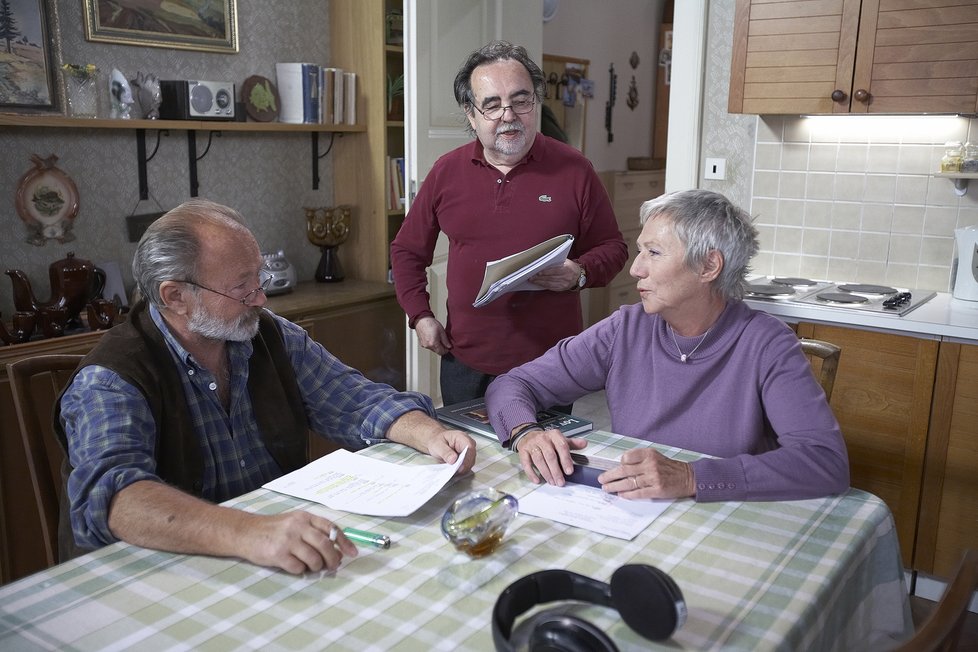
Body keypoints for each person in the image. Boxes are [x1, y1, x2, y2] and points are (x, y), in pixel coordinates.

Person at [56, 199, 476, 574]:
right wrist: (251, 533)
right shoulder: (112, 380)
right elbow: (116, 499)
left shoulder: (265, 335)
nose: (261, 299)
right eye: (242, 286)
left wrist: (429, 432)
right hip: (162, 577)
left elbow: (354, 400)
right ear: (176, 297)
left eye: (258, 278)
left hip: (269, 555)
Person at [485, 189, 850, 502]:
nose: (635, 269)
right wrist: (524, 432)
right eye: (640, 252)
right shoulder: (625, 329)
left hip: (721, 520)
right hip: (635, 512)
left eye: (654, 253)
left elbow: (824, 462)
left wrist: (691, 478)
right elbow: (513, 385)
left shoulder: (767, 344)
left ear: (708, 266)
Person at [390, 41, 627, 406]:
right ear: (472, 115)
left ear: (536, 103)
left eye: (521, 100)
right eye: (492, 104)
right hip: (466, 360)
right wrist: (420, 315)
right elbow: (406, 251)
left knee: (547, 461)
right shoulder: (446, 172)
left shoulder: (575, 169)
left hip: (550, 363)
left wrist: (579, 273)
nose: (508, 114)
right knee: (473, 460)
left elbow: (613, 248)